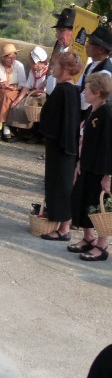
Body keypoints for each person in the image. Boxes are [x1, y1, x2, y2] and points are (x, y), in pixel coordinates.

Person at [68, 73, 112, 262]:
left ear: (96, 92)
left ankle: (102, 245)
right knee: (82, 201)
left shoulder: (107, 113)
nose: (84, 91)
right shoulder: (92, 110)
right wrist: (79, 162)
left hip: (99, 169)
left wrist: (108, 175)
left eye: (87, 89)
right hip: (87, 165)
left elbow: (109, 145)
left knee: (98, 207)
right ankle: (88, 237)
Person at [38, 51, 82, 241]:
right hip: (63, 145)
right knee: (60, 185)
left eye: (55, 65)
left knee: (61, 186)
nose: (52, 68)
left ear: (65, 69)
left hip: (61, 146)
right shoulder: (70, 91)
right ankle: (61, 224)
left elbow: (56, 119)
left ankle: (64, 228)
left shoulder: (64, 91)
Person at [0, 43, 27, 140]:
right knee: (3, 95)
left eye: (14, 58)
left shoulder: (19, 65)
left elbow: (23, 84)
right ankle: (2, 126)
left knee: (6, 96)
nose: (12, 60)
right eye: (9, 58)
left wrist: (14, 87)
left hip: (14, 92)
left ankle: (1, 127)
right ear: (3, 58)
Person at [7, 46, 49, 135]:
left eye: (33, 63)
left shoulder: (48, 72)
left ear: (39, 63)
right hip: (32, 93)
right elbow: (27, 86)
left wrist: (31, 93)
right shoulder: (33, 71)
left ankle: (33, 133)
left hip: (41, 95)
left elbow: (42, 91)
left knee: (32, 105)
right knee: (17, 105)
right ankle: (19, 130)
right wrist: (18, 99)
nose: (32, 65)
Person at [77, 25, 112, 110]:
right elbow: (78, 86)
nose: (86, 45)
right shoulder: (91, 65)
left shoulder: (104, 73)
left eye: (90, 43)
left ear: (101, 50)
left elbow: (84, 103)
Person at [46, 7, 75, 94]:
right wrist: (46, 82)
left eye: (61, 31)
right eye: (57, 31)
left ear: (73, 32)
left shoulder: (76, 54)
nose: (57, 36)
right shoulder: (58, 45)